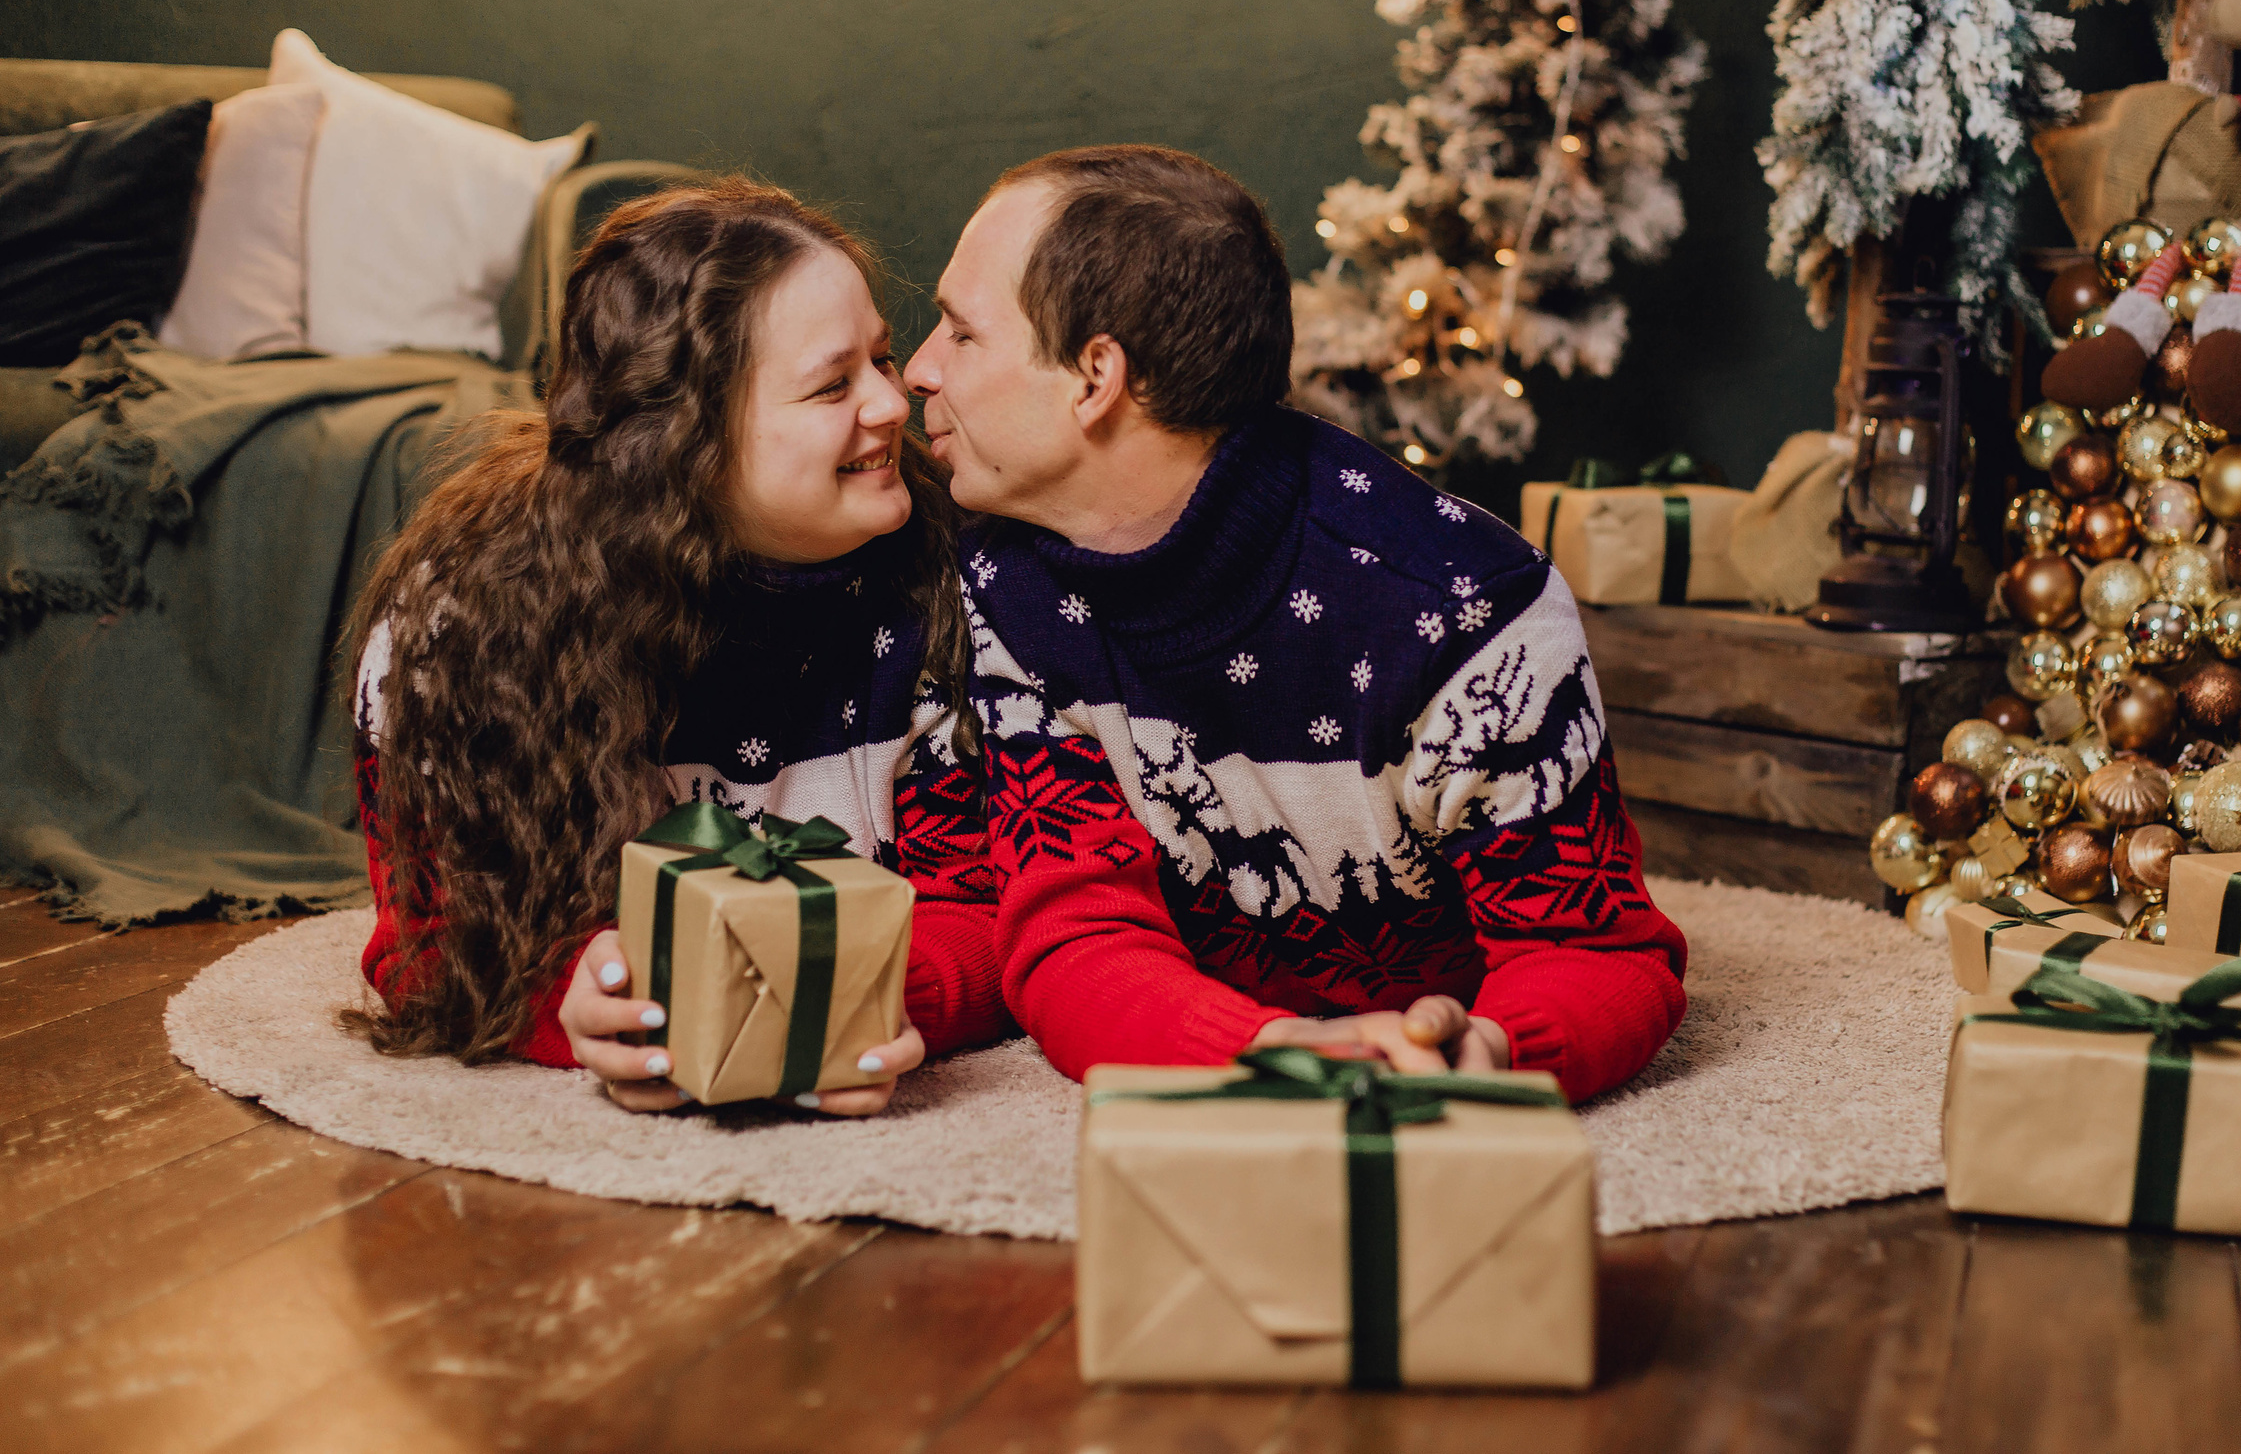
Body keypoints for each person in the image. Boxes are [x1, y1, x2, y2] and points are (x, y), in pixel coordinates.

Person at [905, 145, 1686, 1104]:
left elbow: (1597, 948)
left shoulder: (1463, 611)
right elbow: (1075, 936)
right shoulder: (1006, 585)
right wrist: (1264, 1053)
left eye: (959, 332)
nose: (916, 370)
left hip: (1437, 1016)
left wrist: (1497, 1051)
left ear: (1093, 376)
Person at [347, 178, 1008, 1114]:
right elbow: (425, 936)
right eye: (833, 384)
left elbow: (994, 900)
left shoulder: (959, 577)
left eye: (883, 358)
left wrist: (879, 999)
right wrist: (573, 998)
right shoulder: (456, 625)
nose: (894, 403)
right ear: (683, 440)